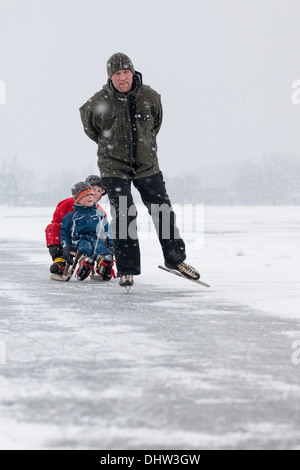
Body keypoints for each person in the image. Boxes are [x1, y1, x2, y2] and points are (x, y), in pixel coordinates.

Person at [79, 52, 200, 288]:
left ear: (133, 73)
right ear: (110, 77)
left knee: (162, 210)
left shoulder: (150, 97)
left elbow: (155, 125)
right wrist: (110, 148)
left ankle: (176, 260)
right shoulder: (97, 102)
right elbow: (91, 129)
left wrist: (143, 147)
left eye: (126, 72)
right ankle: (127, 269)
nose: (122, 78)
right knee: (125, 214)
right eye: (117, 74)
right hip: (113, 167)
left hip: (147, 165)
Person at [45, 175, 109, 276]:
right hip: (67, 237)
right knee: (52, 228)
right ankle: (59, 260)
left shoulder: (100, 211)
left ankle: (101, 264)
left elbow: (104, 230)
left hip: (88, 240)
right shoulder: (67, 203)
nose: (95, 194)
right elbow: (57, 222)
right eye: (93, 190)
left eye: (99, 191)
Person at [60, 181, 114, 281]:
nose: (90, 197)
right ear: (78, 200)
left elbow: (107, 229)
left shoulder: (99, 213)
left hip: (97, 238)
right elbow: (64, 233)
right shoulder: (71, 216)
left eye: (92, 195)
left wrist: (111, 242)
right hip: (80, 240)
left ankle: (103, 263)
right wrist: (66, 246)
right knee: (85, 247)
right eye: (86, 195)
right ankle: (85, 264)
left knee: (100, 247)